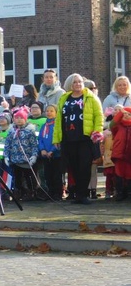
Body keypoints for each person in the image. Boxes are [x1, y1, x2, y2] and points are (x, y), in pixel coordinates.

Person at [53, 73, 103, 205]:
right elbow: (59, 120)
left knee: (85, 166)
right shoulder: (64, 98)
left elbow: (99, 116)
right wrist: (56, 138)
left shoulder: (91, 97)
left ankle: (83, 194)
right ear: (70, 84)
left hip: (85, 137)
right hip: (68, 138)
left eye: (80, 81)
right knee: (73, 166)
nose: (78, 84)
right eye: (75, 82)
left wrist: (97, 132)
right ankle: (77, 194)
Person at [4, 108, 40, 201]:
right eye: (17, 118)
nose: (19, 120)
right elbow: (7, 145)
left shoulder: (29, 131)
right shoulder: (11, 132)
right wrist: (6, 156)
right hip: (15, 159)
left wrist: (34, 155)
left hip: (27, 159)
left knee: (29, 177)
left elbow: (34, 145)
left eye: (21, 118)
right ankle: (18, 192)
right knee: (17, 178)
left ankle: (31, 192)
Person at [110, 106, 131, 201]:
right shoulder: (118, 126)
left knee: (129, 174)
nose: (126, 115)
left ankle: (127, 192)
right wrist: (120, 113)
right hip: (119, 154)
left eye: (129, 114)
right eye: (124, 114)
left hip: (129, 155)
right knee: (119, 173)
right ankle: (119, 192)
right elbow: (112, 124)